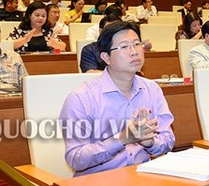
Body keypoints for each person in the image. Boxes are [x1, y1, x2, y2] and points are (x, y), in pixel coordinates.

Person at [60, 21, 175, 176]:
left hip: (142, 177)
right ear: (106, 57)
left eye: (137, 44)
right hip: (99, 183)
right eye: (124, 46)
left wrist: (150, 142)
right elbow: (76, 158)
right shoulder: (81, 98)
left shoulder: (152, 89)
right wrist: (121, 139)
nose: (134, 51)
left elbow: (168, 139)